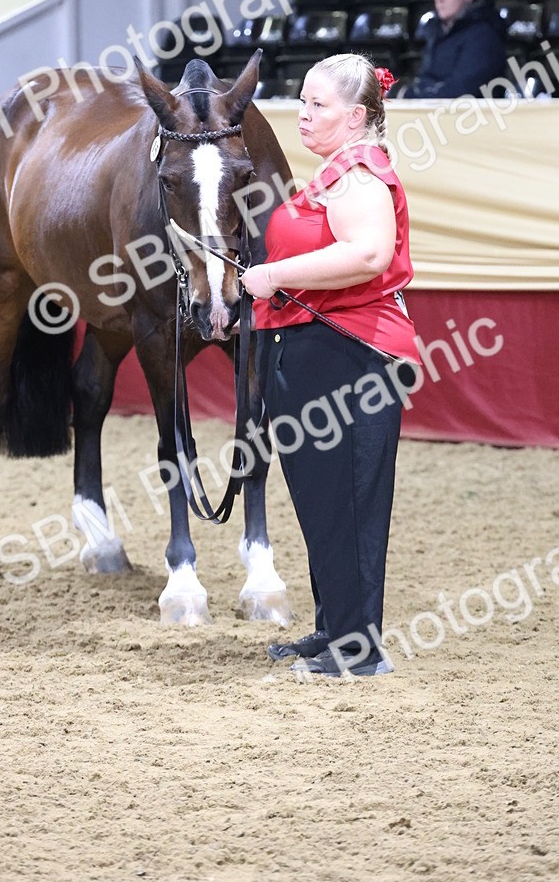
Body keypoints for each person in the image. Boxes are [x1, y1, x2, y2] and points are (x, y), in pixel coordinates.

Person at [240, 53, 419, 678]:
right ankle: (337, 628)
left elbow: (369, 253)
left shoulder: (362, 175)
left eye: (319, 105)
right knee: (324, 500)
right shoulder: (335, 174)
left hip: (352, 353)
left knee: (345, 498)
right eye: (303, 100)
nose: (304, 114)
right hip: (323, 348)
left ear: (358, 116)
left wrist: (273, 275)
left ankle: (358, 648)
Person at [402, 0, 506, 99]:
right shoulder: (435, 30)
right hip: (437, 106)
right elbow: (426, 77)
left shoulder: (483, 34)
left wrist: (414, 96)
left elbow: (464, 88)